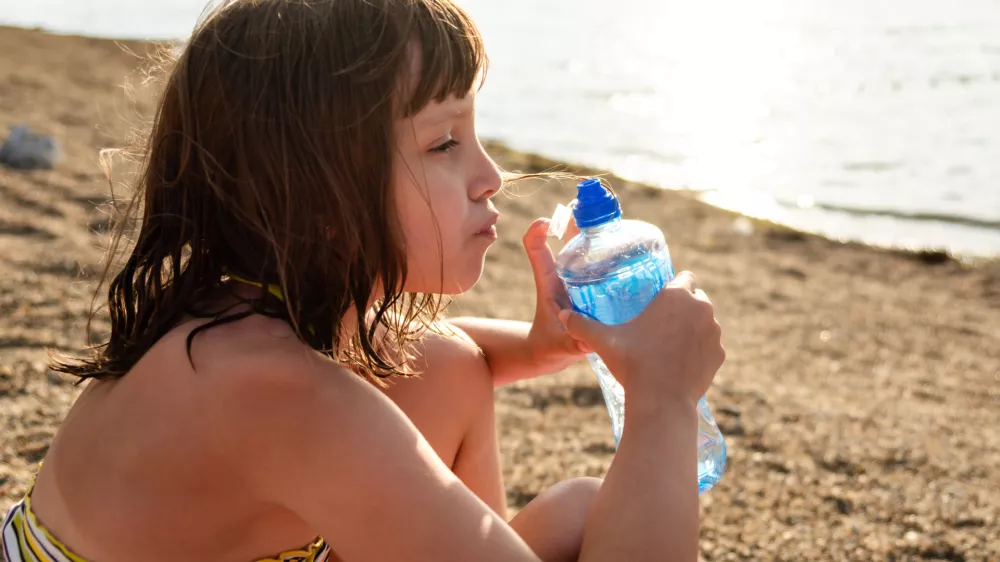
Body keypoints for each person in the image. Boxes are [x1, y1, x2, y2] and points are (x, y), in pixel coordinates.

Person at [0, 1, 725, 561]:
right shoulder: (290, 404)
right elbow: (318, 400)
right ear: (317, 202)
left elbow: (417, 344)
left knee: (459, 375)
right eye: (444, 143)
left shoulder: (238, 309)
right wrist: (662, 400)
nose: (490, 177)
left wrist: (537, 349)